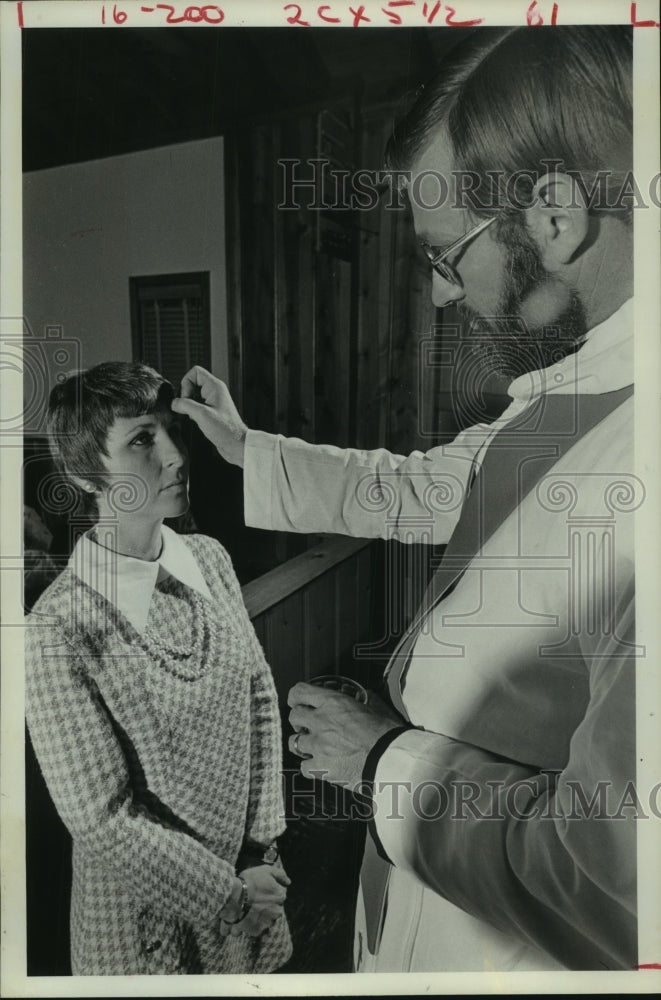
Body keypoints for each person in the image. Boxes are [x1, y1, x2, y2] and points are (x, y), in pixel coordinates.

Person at [172, 27, 638, 972]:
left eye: (445, 253)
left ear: (553, 217)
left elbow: (615, 882)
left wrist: (381, 760)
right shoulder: (572, 387)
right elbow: (419, 486)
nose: (434, 294)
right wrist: (245, 447)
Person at [25, 361, 292, 976]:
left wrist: (260, 849)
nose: (175, 455)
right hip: (147, 928)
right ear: (82, 473)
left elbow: (257, 696)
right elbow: (104, 820)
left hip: (252, 886)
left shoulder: (210, 558)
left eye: (173, 430)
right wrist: (227, 895)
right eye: (142, 439)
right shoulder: (58, 628)